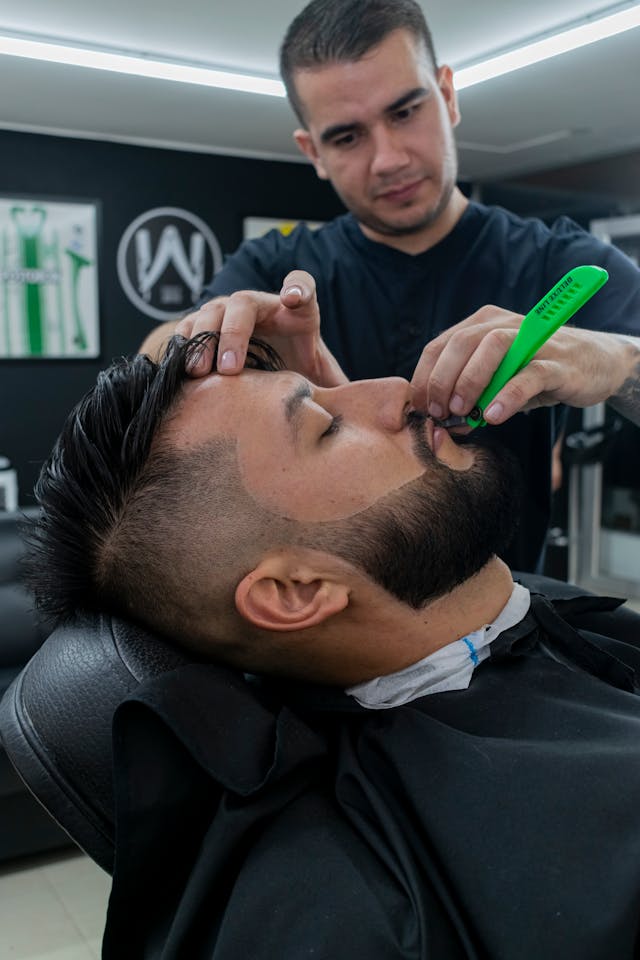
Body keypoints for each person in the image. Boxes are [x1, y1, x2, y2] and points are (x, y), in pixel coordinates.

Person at [26, 329, 640, 958]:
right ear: (295, 592)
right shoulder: (359, 914)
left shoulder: (515, 611)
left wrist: (626, 368)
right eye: (325, 426)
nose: (399, 390)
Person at [141, 0, 640, 575]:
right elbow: (155, 356)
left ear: (447, 96)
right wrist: (209, 346)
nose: (389, 158)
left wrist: (617, 360)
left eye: (405, 112)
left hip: (509, 616)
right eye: (348, 137)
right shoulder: (275, 266)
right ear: (314, 153)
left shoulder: (559, 260)